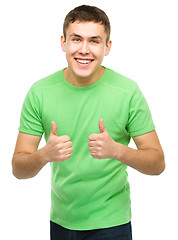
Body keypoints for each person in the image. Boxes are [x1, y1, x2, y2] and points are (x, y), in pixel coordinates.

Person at [12, 5, 165, 240]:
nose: (84, 50)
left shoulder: (127, 91)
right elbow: (18, 169)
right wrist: (45, 154)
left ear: (107, 47)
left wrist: (117, 150)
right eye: (76, 39)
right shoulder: (40, 92)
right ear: (63, 42)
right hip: (61, 222)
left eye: (94, 41)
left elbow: (157, 163)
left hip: (112, 223)